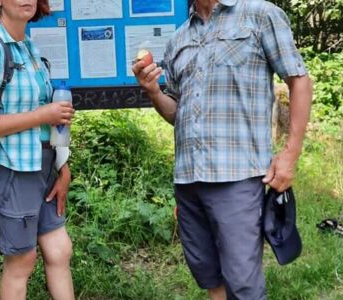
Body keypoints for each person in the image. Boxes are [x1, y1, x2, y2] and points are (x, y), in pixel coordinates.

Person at [133, 0, 312, 299]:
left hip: (237, 176)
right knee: (209, 276)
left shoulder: (259, 15)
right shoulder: (178, 38)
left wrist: (290, 154)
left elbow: (299, 81)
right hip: (188, 180)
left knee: (243, 283)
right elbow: (177, 113)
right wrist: (153, 91)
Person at [0, 0, 75, 299]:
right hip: (12, 168)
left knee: (60, 250)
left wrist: (62, 167)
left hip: (43, 166)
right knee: (21, 261)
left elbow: (49, 118)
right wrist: (43, 115)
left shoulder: (25, 46)